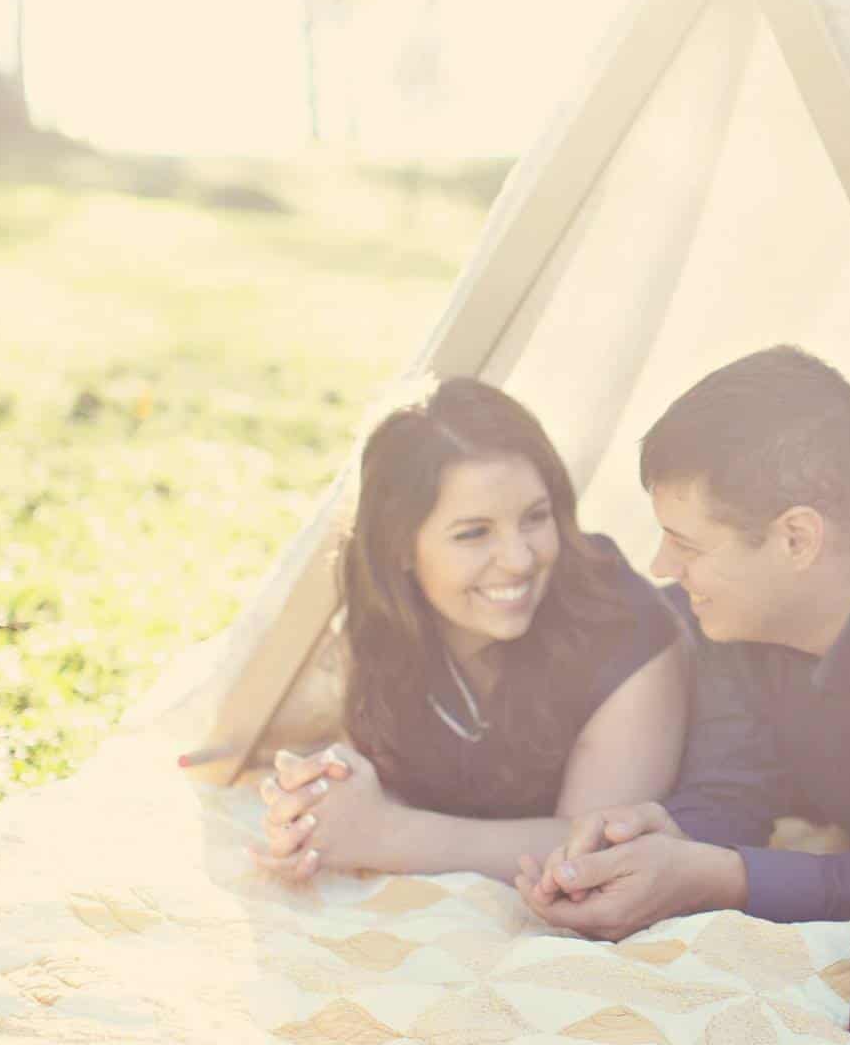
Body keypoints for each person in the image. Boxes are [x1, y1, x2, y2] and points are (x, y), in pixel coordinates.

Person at [511, 346, 850, 938]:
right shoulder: (730, 615)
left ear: (796, 539)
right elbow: (730, 790)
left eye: (686, 545)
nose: (662, 566)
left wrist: (724, 878)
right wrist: (653, 840)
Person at [250, 377, 689, 883]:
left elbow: (595, 846)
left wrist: (386, 835)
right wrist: (316, 816)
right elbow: (383, 790)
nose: (520, 559)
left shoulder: (624, 624)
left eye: (535, 518)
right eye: (474, 533)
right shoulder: (386, 614)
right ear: (399, 549)